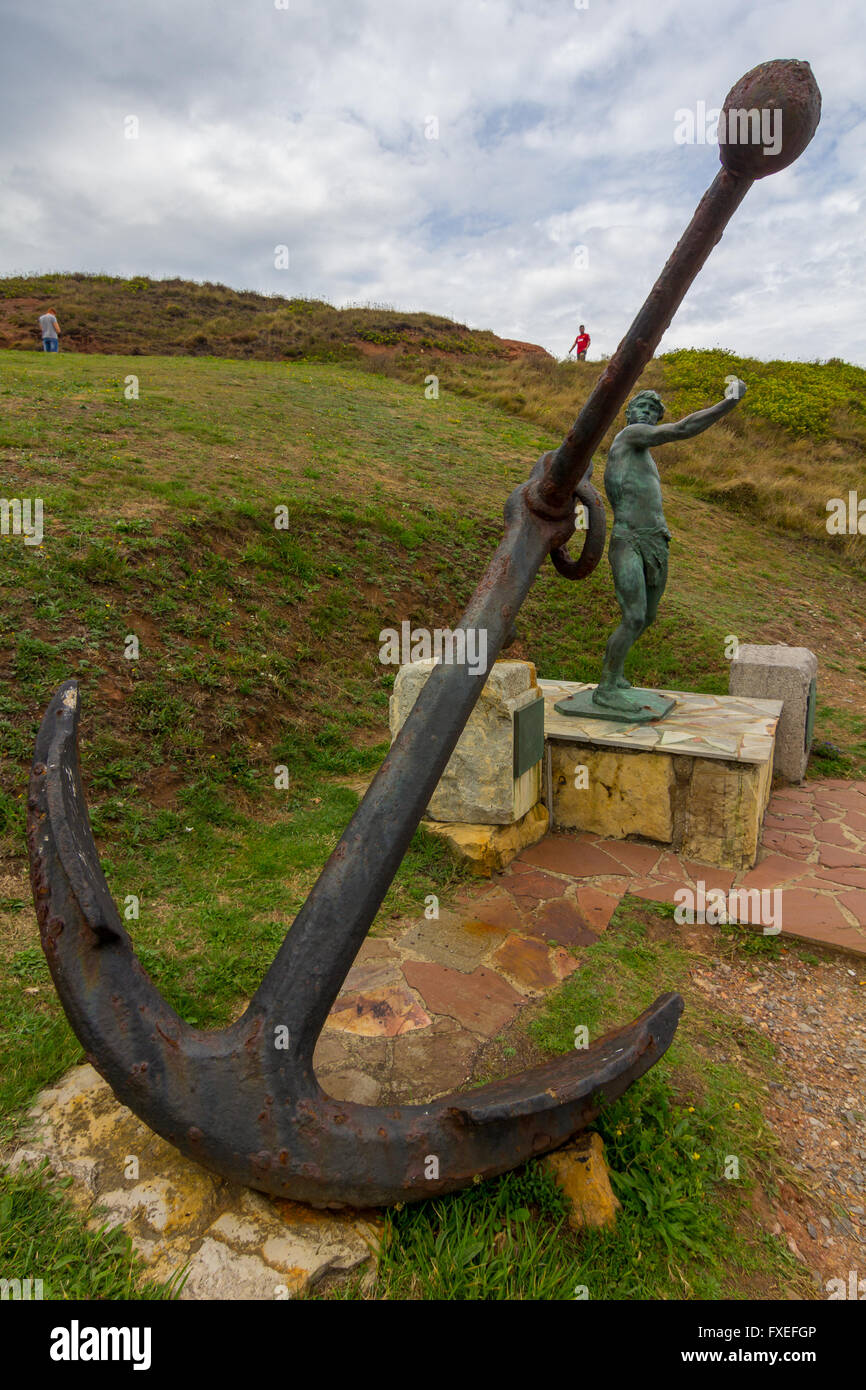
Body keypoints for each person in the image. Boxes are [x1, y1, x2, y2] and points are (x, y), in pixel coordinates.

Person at [593, 379, 747, 715]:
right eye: (642, 408)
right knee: (633, 616)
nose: (647, 414)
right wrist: (728, 403)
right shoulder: (630, 436)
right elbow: (682, 429)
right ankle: (605, 688)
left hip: (655, 540)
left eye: (653, 410)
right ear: (629, 414)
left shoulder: (644, 455)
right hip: (629, 538)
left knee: (647, 616)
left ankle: (616, 674)